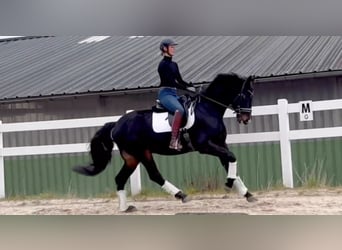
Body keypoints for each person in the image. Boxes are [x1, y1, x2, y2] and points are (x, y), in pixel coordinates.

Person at [157, 38, 194, 151]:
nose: (174, 49)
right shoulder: (162, 65)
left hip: (174, 93)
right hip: (165, 93)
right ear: (165, 48)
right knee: (180, 110)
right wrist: (186, 88)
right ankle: (173, 141)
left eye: (174, 47)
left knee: (189, 105)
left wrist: (190, 86)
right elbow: (171, 82)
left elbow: (179, 80)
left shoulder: (174, 64)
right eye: (172, 47)